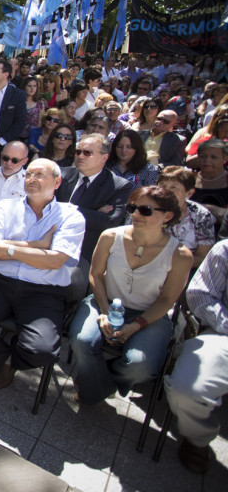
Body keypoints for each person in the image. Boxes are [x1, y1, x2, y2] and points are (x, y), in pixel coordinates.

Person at [0, 159, 86, 388]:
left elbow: (56, 261)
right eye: (28, 175)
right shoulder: (7, 207)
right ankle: (4, 361)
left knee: (42, 351)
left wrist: (11, 248)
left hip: (42, 290)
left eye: (39, 175)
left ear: (57, 182)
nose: (31, 179)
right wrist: (40, 245)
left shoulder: (70, 216)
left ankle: (14, 361)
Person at [69, 186, 192, 405]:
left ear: (168, 216)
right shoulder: (110, 236)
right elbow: (96, 275)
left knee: (140, 367)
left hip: (150, 313)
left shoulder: (180, 254)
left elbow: (167, 300)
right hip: (104, 301)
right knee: (82, 341)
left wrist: (137, 325)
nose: (135, 214)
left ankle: (98, 381)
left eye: (145, 210)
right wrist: (105, 312)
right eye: (132, 208)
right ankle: (97, 388)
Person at [163, 240, 228, 474]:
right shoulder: (225, 250)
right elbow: (201, 297)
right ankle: (197, 437)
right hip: (224, 333)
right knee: (186, 389)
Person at [55, 134, 133, 262]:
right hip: (50, 242)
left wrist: (63, 208)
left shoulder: (119, 186)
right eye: (78, 152)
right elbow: (44, 206)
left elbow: (110, 222)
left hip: (84, 252)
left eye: (87, 153)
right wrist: (93, 213)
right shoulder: (61, 174)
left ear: (104, 157)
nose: (80, 156)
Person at [158, 166, 216, 269]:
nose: (166, 191)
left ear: (189, 193)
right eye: (162, 185)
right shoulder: (147, 209)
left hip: (187, 270)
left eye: (173, 187)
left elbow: (203, 256)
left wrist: (169, 265)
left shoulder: (201, 215)